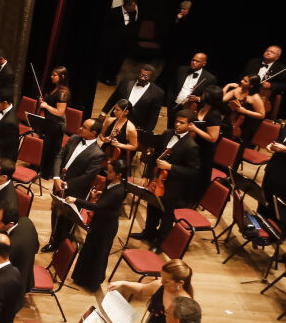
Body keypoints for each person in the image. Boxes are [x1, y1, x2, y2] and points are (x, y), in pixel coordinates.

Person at [135, 111, 200, 251]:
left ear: (190, 125)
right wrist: (146, 176)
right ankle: (148, 232)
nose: (177, 124)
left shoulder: (191, 145)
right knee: (152, 206)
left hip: (173, 186)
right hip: (157, 179)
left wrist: (171, 167)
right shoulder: (167, 134)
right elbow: (154, 157)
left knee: (166, 214)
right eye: (177, 121)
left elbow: (193, 172)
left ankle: (160, 243)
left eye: (182, 123)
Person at [67, 159, 127, 291]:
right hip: (100, 222)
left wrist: (76, 200)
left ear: (119, 175)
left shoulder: (119, 191)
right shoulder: (112, 184)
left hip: (106, 227)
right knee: (89, 250)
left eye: (110, 171)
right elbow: (106, 200)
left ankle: (92, 283)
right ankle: (81, 278)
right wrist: (102, 194)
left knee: (99, 254)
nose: (107, 173)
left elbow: (99, 206)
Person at [46, 119, 105, 251]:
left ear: (93, 133)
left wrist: (66, 184)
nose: (79, 128)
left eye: (84, 127)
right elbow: (60, 156)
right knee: (55, 212)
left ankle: (61, 248)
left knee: (67, 220)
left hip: (75, 191)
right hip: (58, 183)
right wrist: (56, 177)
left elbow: (88, 177)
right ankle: (53, 241)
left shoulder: (98, 154)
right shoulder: (74, 138)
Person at [107, 259, 195, 323]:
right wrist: (123, 283)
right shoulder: (160, 286)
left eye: (166, 281)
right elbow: (142, 290)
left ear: (180, 283)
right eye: (162, 277)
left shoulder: (187, 306)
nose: (161, 282)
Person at [101, 62, 165, 133]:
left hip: (136, 126)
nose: (142, 78)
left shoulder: (157, 93)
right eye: (141, 75)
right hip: (117, 119)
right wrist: (103, 113)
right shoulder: (126, 82)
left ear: (151, 78)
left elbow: (154, 115)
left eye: (145, 77)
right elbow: (113, 98)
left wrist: (148, 131)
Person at [36, 66, 71, 178]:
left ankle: (47, 173)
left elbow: (60, 112)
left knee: (51, 149)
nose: (52, 76)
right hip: (50, 122)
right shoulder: (56, 88)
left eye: (54, 75)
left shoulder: (63, 93)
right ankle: (40, 168)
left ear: (62, 77)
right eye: (52, 74)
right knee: (45, 147)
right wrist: (45, 102)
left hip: (57, 125)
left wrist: (46, 106)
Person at [241, 44, 286, 114]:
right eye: (267, 51)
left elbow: (285, 86)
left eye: (272, 52)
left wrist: (271, 85)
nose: (268, 53)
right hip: (246, 92)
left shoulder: (282, 69)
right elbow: (243, 76)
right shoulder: (253, 62)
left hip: (264, 98)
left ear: (277, 57)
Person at [166, 52, 217, 117]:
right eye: (193, 60)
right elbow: (171, 87)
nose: (194, 62)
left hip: (191, 109)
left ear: (204, 63)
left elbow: (211, 97)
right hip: (174, 106)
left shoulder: (209, 78)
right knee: (170, 126)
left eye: (197, 61)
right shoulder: (181, 70)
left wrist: (199, 99)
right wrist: (169, 103)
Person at [222, 73, 266, 146]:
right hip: (229, 121)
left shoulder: (255, 98)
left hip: (243, 127)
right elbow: (222, 99)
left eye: (245, 81)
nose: (241, 81)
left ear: (251, 85)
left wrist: (245, 111)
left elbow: (262, 115)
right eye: (242, 79)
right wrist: (228, 86)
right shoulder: (238, 89)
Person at [0, 94, 20, 161]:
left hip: (4, 157)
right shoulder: (3, 108)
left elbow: (8, 144)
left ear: (5, 103)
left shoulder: (10, 122)